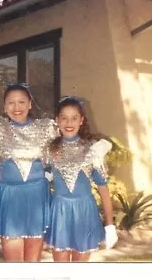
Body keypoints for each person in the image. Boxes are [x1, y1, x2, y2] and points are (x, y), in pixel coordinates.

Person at [0, 83, 58, 262]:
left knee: (32, 262)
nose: (17, 107)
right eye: (11, 103)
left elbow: (67, 144)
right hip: (10, 197)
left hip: (36, 197)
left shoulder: (45, 128)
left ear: (30, 104)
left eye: (21, 102)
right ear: (4, 106)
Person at [44, 96, 118, 262]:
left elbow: (103, 188)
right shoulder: (50, 149)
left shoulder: (92, 149)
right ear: (57, 120)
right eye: (64, 118)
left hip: (84, 212)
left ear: (81, 120)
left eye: (74, 118)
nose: (69, 123)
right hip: (60, 211)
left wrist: (110, 225)